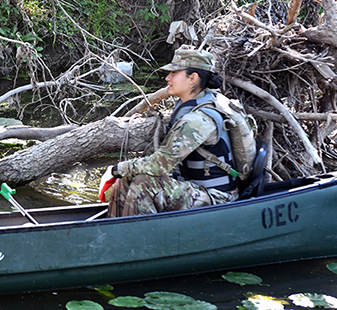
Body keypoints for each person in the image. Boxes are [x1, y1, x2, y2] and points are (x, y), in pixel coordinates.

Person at [101, 48, 239, 218]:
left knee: (143, 184)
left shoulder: (198, 120)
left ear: (192, 78)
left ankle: (139, 233)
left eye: (174, 73)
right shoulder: (193, 105)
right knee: (125, 180)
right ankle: (115, 229)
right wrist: (123, 173)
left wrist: (116, 169)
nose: (168, 78)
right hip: (194, 187)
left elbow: (160, 164)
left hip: (218, 198)